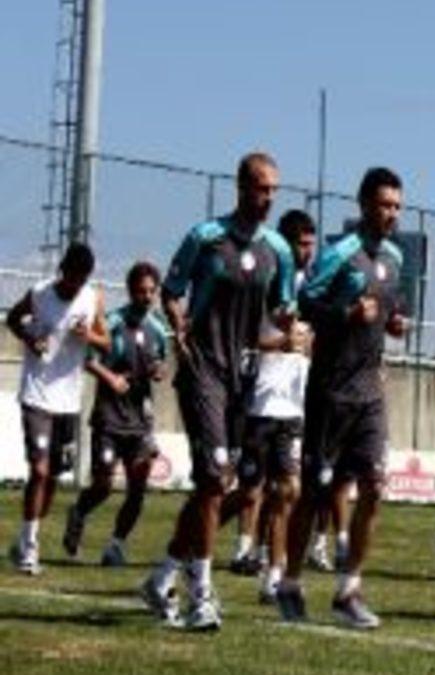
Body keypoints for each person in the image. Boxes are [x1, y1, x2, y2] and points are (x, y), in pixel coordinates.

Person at [141, 152, 295, 631]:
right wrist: (178, 322)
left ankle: (161, 576)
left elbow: (278, 312)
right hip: (202, 369)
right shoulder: (206, 237)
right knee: (213, 481)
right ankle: (201, 595)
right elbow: (171, 290)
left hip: (243, 378)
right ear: (241, 187)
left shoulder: (278, 250)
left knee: (218, 485)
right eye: (261, 188)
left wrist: (291, 327)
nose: (267, 197)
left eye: (273, 190)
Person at [276, 167, 409, 629]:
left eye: (397, 206)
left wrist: (394, 321)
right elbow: (306, 304)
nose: (391, 213)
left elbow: (389, 306)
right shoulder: (339, 254)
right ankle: (290, 582)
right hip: (331, 390)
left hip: (370, 390)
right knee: (315, 492)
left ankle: (349, 589)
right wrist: (346, 314)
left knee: (374, 486)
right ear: (364, 204)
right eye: (384, 204)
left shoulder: (395, 256)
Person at [219, 209, 318, 602]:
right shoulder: (264, 283)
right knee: (248, 493)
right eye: (302, 244)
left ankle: (274, 577)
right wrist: (281, 343)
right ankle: (196, 535)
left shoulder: (314, 288)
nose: (308, 251)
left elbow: (312, 338)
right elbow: (243, 336)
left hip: (293, 407)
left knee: (287, 491)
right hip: (259, 403)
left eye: (311, 244)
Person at [6, 243, 108, 575]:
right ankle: (29, 549)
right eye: (72, 277)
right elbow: (13, 319)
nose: (76, 284)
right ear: (63, 271)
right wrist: (29, 338)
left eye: (82, 279)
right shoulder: (40, 293)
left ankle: (24, 538)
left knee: (51, 477)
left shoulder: (92, 299)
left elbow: (106, 341)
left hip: (68, 400)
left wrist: (88, 335)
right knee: (38, 470)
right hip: (36, 394)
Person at [62, 261, 168, 567]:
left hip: (139, 421)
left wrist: (158, 371)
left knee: (138, 486)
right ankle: (79, 511)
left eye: (151, 291)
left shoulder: (158, 327)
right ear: (130, 291)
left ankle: (115, 546)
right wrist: (111, 378)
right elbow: (88, 359)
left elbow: (161, 362)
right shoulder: (113, 322)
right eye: (141, 291)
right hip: (109, 416)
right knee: (104, 485)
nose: (147, 297)